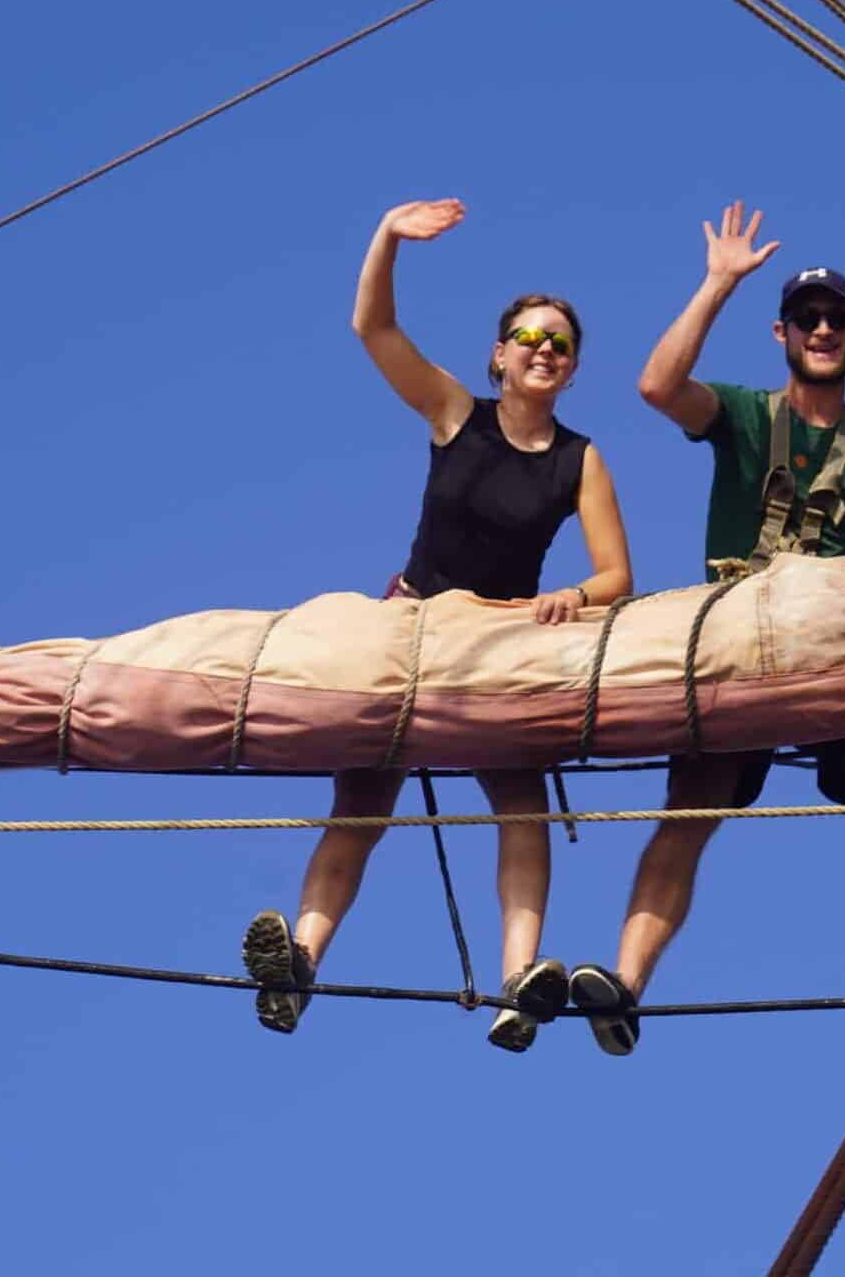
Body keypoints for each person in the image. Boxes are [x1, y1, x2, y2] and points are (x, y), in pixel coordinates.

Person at [565, 200, 845, 1056]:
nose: (823, 329)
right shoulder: (740, 415)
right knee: (687, 815)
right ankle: (623, 985)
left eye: (836, 318)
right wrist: (717, 284)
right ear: (783, 333)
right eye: (807, 318)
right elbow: (657, 387)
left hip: (840, 645)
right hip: (737, 642)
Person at [242, 198, 633, 1053]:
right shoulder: (457, 415)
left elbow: (616, 576)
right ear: (498, 356)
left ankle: (519, 985)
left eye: (559, 345)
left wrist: (575, 595)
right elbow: (372, 327)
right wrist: (385, 233)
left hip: (499, 639)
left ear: (570, 372)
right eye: (529, 338)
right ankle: (298, 964)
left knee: (520, 803)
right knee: (362, 803)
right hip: (413, 625)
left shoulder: (579, 459)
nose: (543, 351)